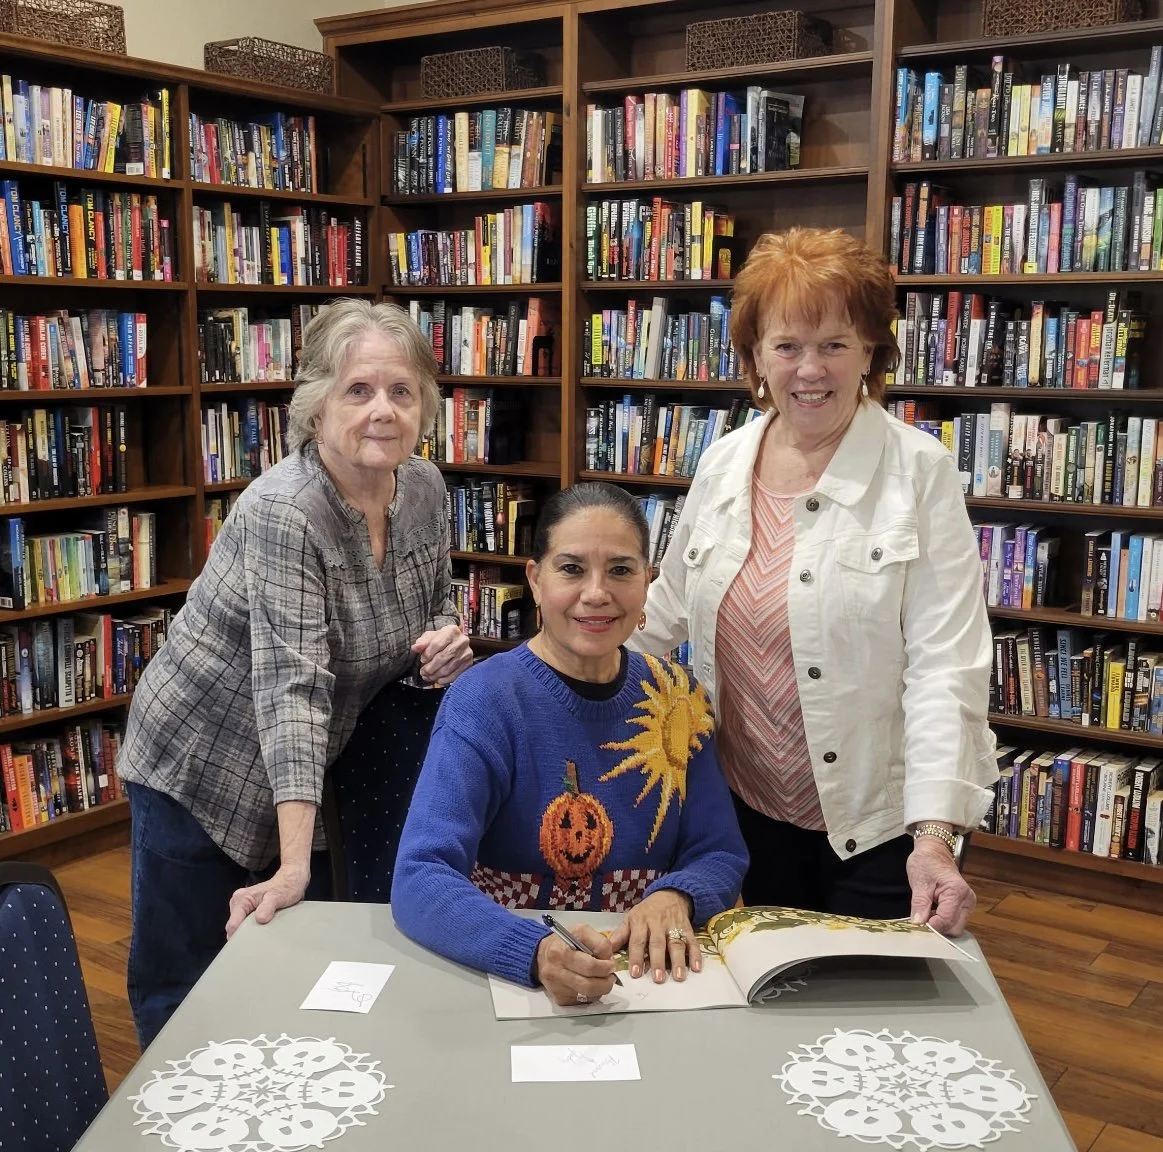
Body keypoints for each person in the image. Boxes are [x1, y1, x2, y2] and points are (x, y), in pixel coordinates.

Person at [119, 299, 473, 1048]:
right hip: (200, 760)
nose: (383, 410)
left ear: (425, 407)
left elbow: (435, 600)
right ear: (316, 410)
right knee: (186, 978)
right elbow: (292, 689)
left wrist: (445, 638)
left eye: (401, 392)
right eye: (359, 391)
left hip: (306, 767)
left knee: (287, 966)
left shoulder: (425, 490)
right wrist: (291, 866)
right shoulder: (286, 511)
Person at [632, 227, 997, 937]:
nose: (809, 370)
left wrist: (933, 836)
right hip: (747, 805)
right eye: (786, 345)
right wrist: (544, 682)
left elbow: (946, 665)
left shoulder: (919, 473)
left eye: (834, 344)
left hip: (880, 821)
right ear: (755, 357)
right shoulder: (723, 463)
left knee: (870, 1017)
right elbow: (663, 612)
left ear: (870, 352)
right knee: (776, 994)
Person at [391, 483, 748, 1006]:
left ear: (649, 582)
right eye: (572, 568)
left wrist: (679, 893)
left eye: (622, 570)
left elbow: (717, 851)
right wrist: (531, 951)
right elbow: (421, 875)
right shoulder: (484, 700)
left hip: (654, 983)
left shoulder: (680, 698)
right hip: (512, 982)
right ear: (534, 579)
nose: (597, 593)